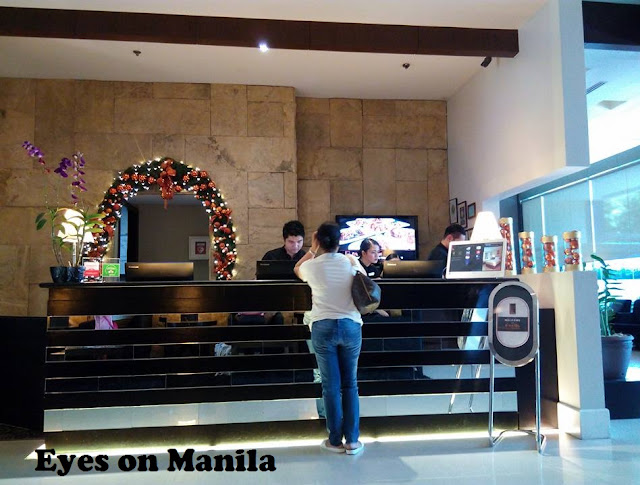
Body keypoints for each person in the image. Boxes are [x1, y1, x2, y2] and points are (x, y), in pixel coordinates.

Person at [294, 222, 365, 455]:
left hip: (322, 326)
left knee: (330, 386)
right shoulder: (350, 262)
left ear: (317, 240)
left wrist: (312, 250)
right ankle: (352, 441)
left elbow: (297, 268)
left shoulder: (311, 266)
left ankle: (334, 440)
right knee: (350, 384)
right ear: (339, 241)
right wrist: (351, 259)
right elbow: (365, 280)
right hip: (351, 326)